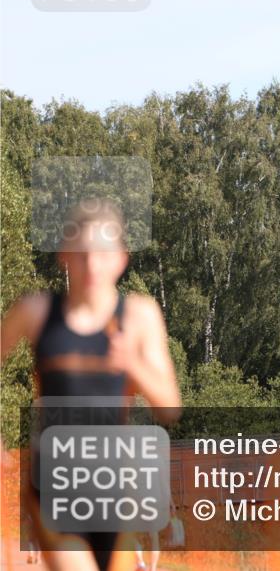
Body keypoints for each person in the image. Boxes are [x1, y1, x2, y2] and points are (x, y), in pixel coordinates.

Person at [1, 199, 181, 571]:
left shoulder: (140, 316)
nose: (92, 265)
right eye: (82, 253)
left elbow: (170, 408)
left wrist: (133, 363)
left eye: (103, 253)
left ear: (122, 258)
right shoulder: (35, 312)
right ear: (64, 255)